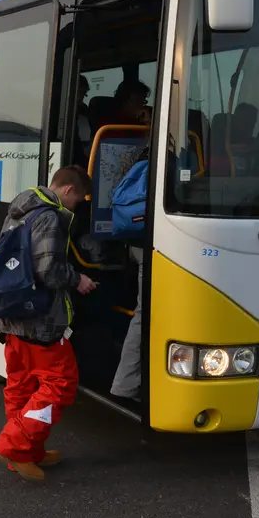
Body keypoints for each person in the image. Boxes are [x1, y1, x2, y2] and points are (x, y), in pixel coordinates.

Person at [0, 165, 97, 481]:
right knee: (61, 383)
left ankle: (26, 452)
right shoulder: (49, 216)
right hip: (39, 322)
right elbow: (49, 271)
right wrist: (79, 280)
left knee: (20, 384)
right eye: (79, 200)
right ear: (68, 191)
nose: (77, 207)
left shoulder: (21, 208)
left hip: (12, 315)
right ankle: (14, 444)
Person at [109, 140, 149, 402]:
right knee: (145, 313)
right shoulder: (184, 154)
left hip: (134, 241)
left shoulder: (140, 151)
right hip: (150, 242)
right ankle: (125, 385)